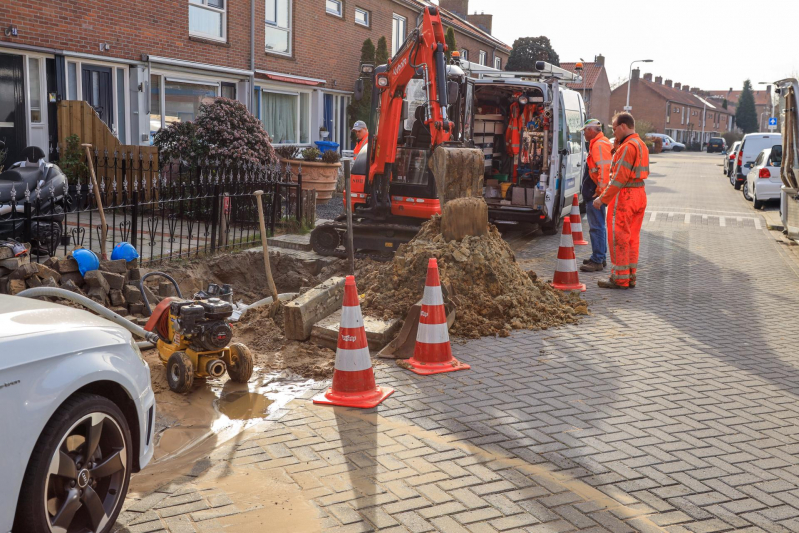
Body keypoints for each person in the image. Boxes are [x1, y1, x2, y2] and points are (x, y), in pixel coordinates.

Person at [592, 112, 648, 289]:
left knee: (619, 237)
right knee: (632, 238)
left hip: (625, 196)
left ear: (623, 126)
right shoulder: (641, 145)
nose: (613, 132)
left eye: (615, 128)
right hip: (639, 193)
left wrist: (602, 199)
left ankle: (619, 278)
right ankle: (630, 276)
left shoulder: (627, 147)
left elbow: (619, 178)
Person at [577, 119, 612, 272]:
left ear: (591, 130)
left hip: (595, 195)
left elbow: (604, 171)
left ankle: (597, 259)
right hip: (596, 194)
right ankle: (600, 257)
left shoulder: (598, 145)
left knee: (596, 227)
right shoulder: (600, 143)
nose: (583, 133)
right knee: (599, 226)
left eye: (584, 130)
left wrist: (599, 194)